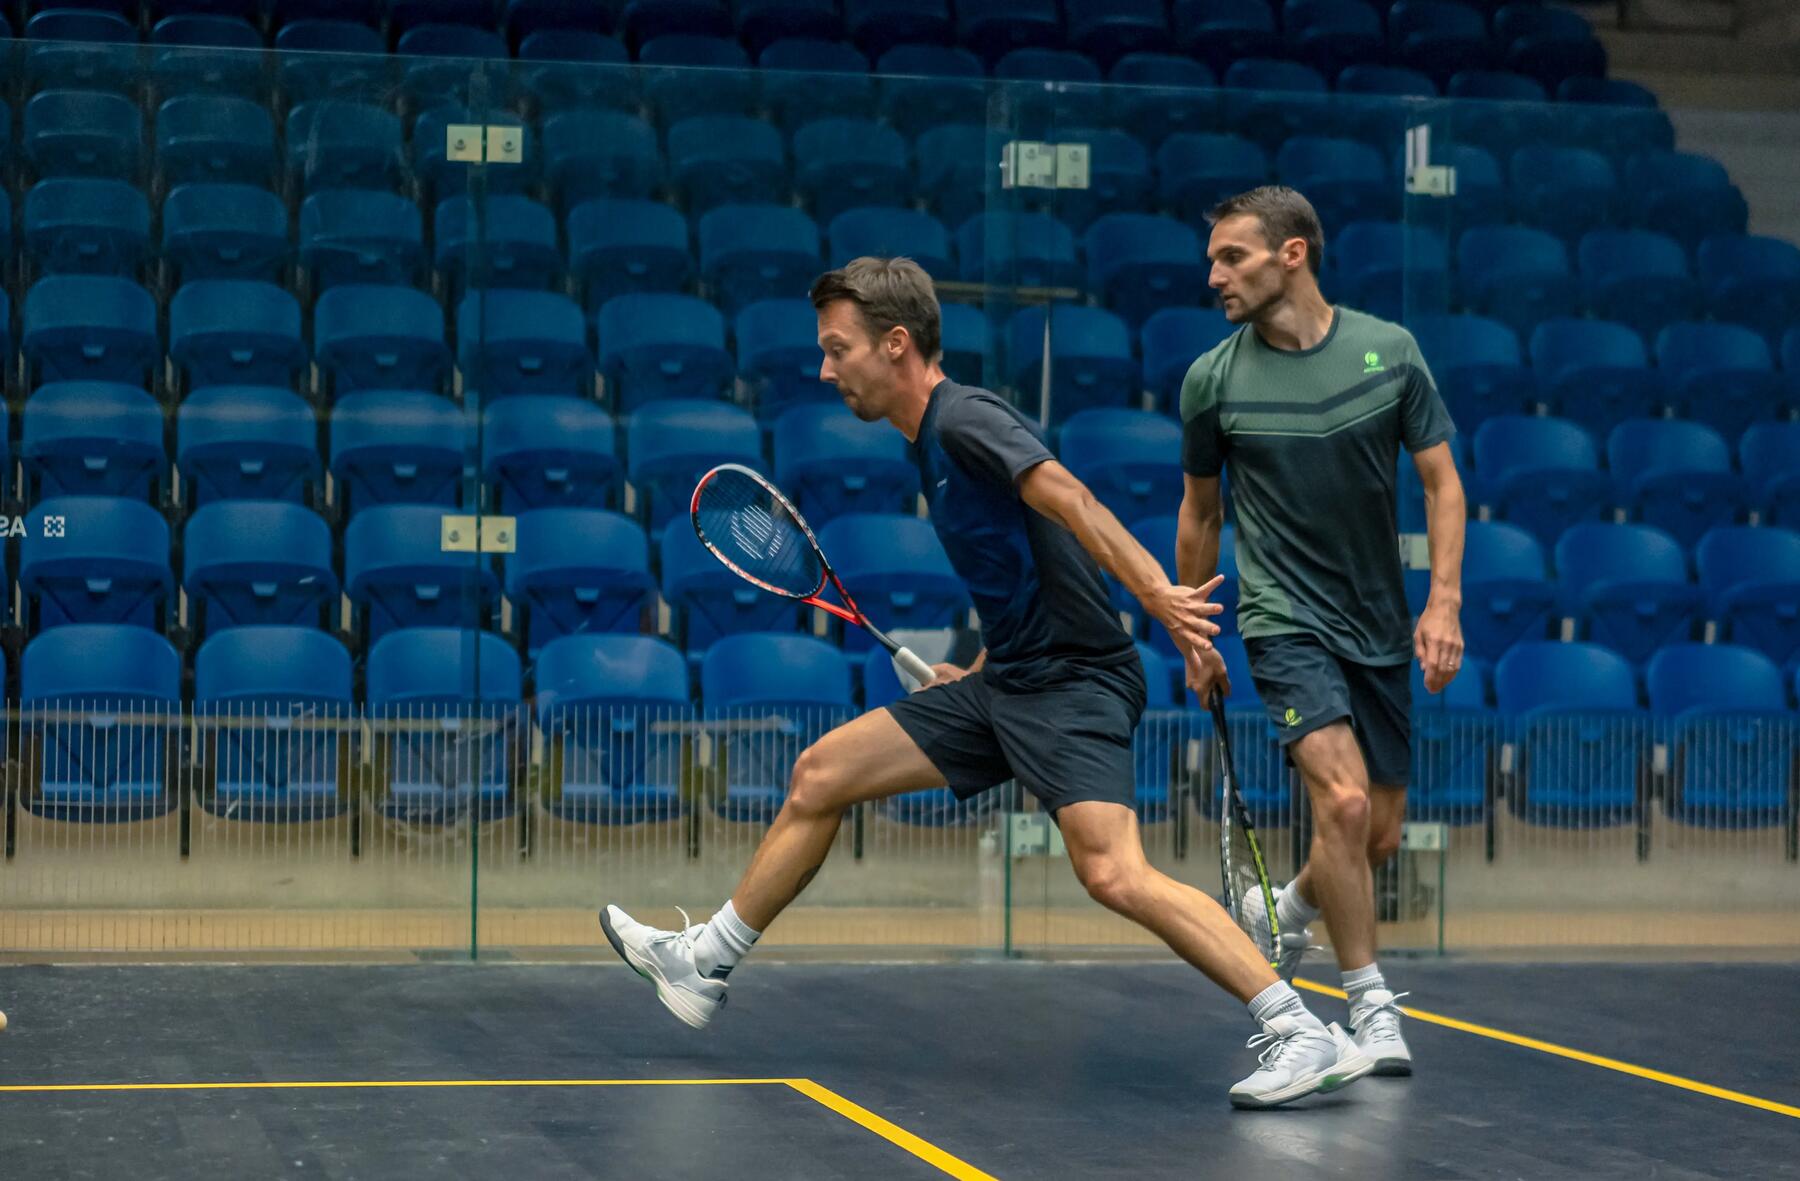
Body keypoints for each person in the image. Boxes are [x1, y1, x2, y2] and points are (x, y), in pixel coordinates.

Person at [602, 256, 1373, 1108]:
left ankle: (1299, 1029)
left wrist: (1159, 594)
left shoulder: (964, 419)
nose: (825, 370)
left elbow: (1071, 499)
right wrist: (970, 671)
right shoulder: (929, 446)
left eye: (837, 349)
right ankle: (703, 964)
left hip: (1072, 685)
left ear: (896, 344)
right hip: (1007, 680)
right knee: (820, 775)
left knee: (1114, 872)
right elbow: (1021, 575)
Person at [1176, 186, 1467, 1078]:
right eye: (1213, 258)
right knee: (1338, 805)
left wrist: (1442, 600)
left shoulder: (1391, 353)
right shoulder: (1212, 380)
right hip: (1281, 619)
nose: (1214, 274)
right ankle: (1370, 1005)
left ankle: (1287, 907)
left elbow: (1443, 484)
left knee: (1374, 834)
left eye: (1233, 257)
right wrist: (1196, 628)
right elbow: (1200, 514)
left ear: (1293, 254)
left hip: (1377, 625)